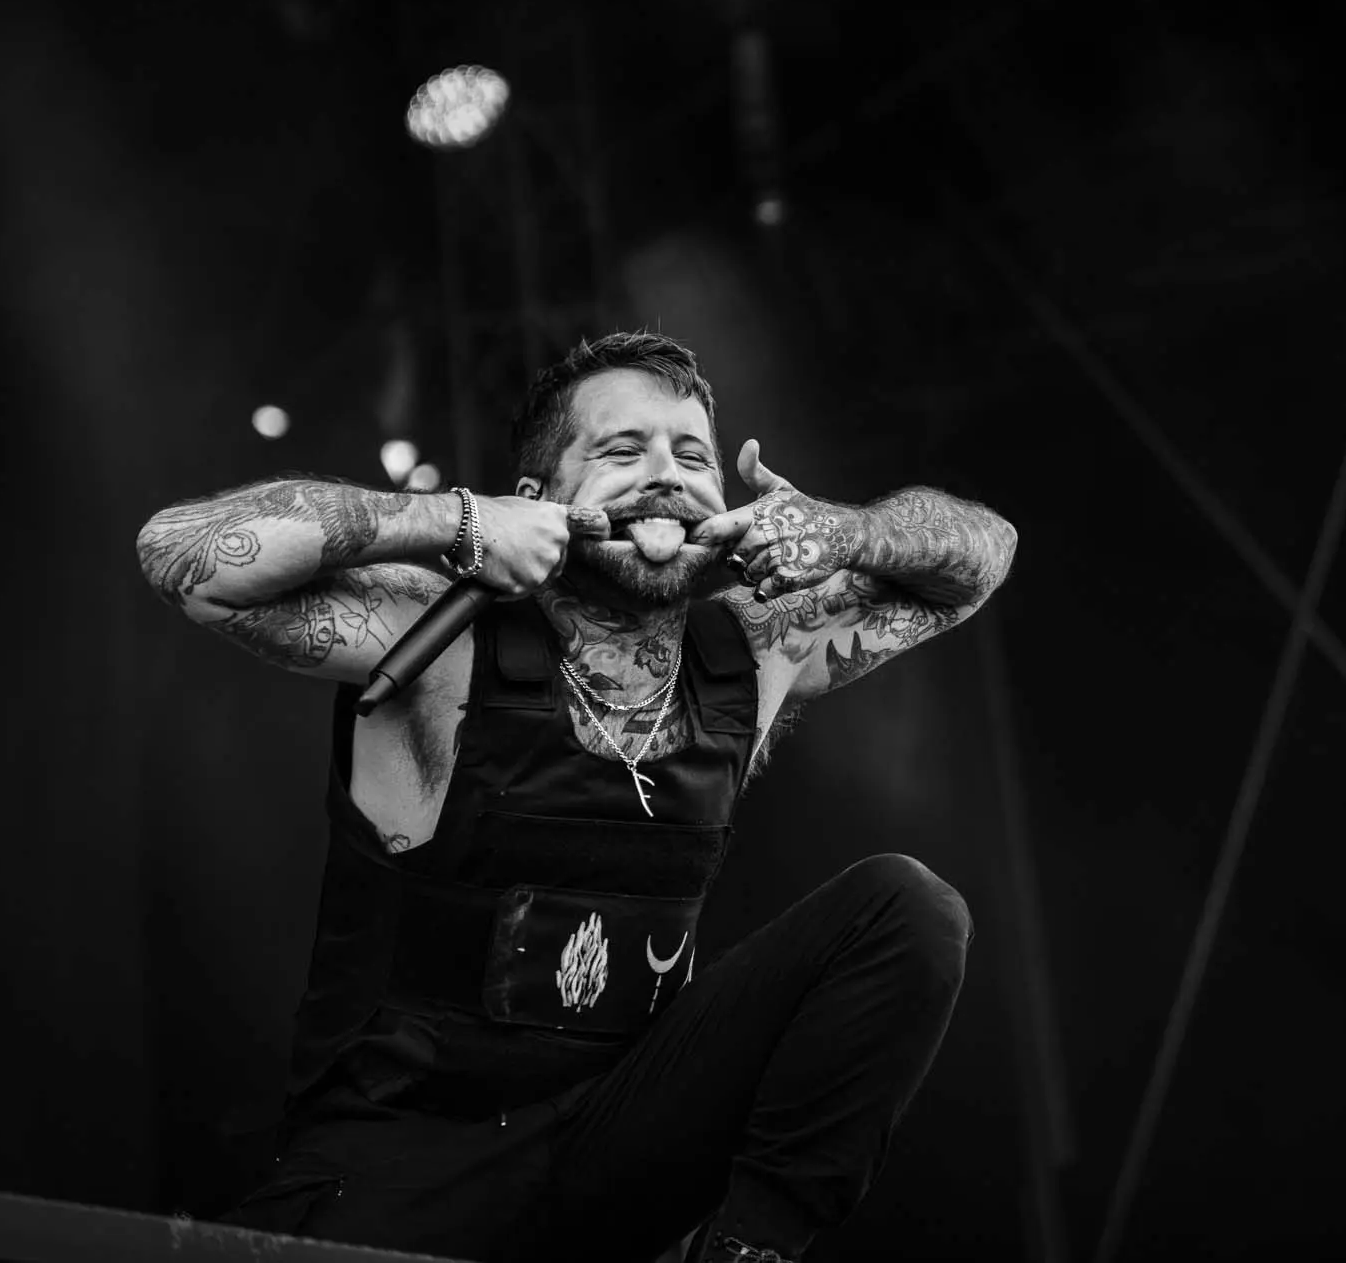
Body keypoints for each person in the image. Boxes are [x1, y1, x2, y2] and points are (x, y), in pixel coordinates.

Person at [135, 332, 1018, 1263]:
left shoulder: (759, 650)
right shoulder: (440, 635)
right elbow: (180, 554)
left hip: (612, 1154)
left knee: (910, 909)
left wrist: (846, 532)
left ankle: (745, 1253)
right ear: (537, 497)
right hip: (403, 1165)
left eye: (693, 458)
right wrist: (457, 520)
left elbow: (983, 556)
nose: (666, 475)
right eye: (622, 450)